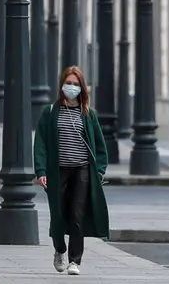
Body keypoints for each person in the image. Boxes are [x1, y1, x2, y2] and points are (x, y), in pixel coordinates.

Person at [34, 65, 110, 276]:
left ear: (82, 88)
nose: (72, 87)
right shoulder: (49, 112)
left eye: (76, 84)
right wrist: (41, 170)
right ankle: (59, 249)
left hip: (82, 171)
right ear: (62, 85)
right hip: (58, 172)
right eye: (68, 83)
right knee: (57, 215)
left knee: (77, 216)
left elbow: (101, 148)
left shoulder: (89, 114)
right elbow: (40, 144)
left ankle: (74, 261)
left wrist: (100, 171)